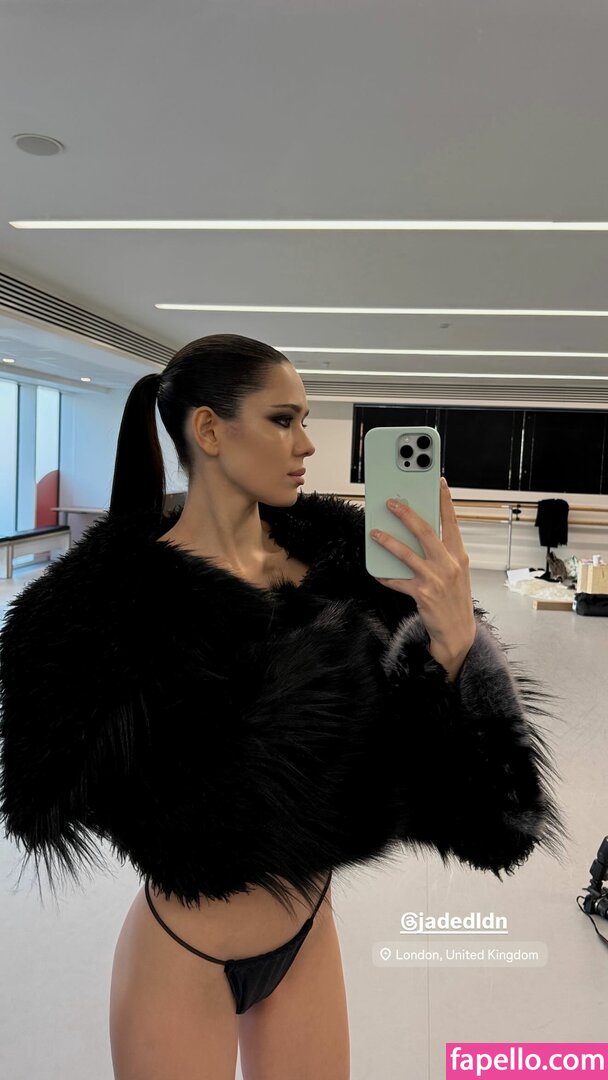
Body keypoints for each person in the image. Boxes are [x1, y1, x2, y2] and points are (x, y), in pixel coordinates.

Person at [0, 333, 567, 1080]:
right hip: (182, 955)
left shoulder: (353, 580)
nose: (306, 444)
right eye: (282, 420)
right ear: (210, 431)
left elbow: (491, 817)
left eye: (304, 419)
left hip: (307, 938)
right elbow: (59, 780)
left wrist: (457, 640)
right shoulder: (100, 612)